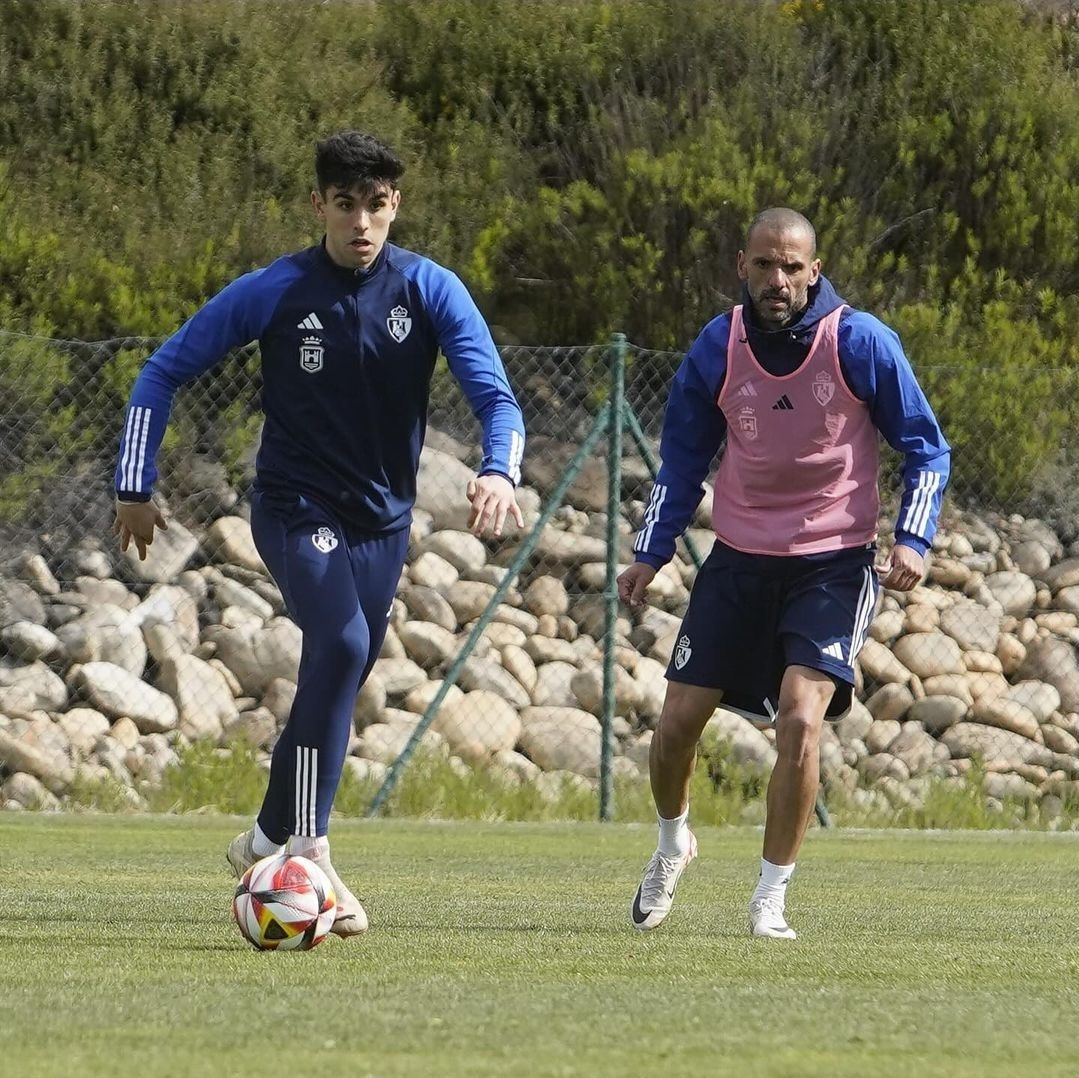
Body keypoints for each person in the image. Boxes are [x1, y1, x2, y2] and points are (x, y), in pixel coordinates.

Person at [113, 131, 526, 937]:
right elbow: (161, 370)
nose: (361, 223)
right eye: (345, 205)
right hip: (296, 509)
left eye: (376, 205)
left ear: (395, 205)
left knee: (341, 673)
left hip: (383, 525)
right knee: (336, 647)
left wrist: (498, 469)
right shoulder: (276, 289)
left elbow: (497, 399)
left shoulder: (430, 289)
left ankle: (265, 838)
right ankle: (310, 849)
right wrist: (135, 484)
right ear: (319, 206)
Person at [619, 208, 950, 939]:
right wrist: (650, 552)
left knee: (799, 719)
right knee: (675, 725)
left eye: (790, 266)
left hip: (830, 565)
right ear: (742, 264)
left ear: (814, 268)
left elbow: (926, 448)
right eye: (764, 265)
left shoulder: (859, 342)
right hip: (737, 561)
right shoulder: (717, 345)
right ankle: (673, 843)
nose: (777, 280)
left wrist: (913, 540)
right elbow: (679, 460)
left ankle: (769, 896)